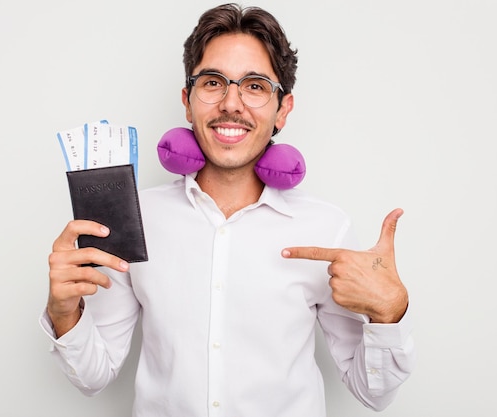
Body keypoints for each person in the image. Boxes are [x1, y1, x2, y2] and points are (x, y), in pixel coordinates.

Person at [40, 3, 414, 416]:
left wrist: (389, 314)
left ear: (282, 109)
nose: (231, 103)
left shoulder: (326, 228)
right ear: (188, 101)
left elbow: (373, 393)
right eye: (213, 82)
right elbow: (93, 375)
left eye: (254, 86)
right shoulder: (134, 218)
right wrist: (64, 311)